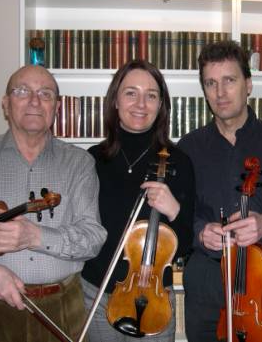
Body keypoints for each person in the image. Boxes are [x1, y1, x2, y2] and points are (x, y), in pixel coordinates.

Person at [177, 40, 262, 342]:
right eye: (211, 83)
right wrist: (200, 232)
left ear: (248, 84)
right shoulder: (187, 149)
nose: (220, 92)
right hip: (206, 284)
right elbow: (179, 216)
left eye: (229, 80)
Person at [0, 65, 107, 342]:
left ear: (56, 106)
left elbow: (93, 238)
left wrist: (36, 236)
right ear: (6, 104)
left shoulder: (79, 163)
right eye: (22, 91)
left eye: (45, 93)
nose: (34, 101)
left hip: (62, 309)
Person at [81, 59, 195, 342]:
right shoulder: (91, 160)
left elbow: (187, 243)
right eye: (131, 92)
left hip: (153, 298)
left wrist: (175, 210)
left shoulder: (179, 161)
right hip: (97, 293)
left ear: (161, 105)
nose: (141, 103)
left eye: (151, 95)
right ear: (116, 101)